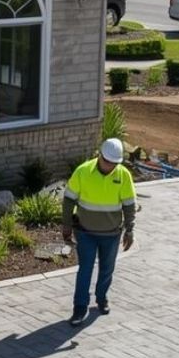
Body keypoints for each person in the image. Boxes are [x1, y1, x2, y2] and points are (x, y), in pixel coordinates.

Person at [62, 138, 137, 326]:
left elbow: (129, 204)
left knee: (107, 269)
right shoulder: (83, 171)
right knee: (85, 270)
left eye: (114, 163)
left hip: (111, 234)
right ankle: (79, 308)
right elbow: (69, 199)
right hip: (85, 232)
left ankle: (101, 298)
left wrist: (130, 230)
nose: (110, 166)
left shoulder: (123, 175)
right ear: (100, 155)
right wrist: (66, 224)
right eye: (107, 161)